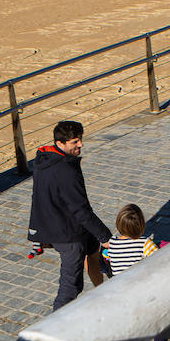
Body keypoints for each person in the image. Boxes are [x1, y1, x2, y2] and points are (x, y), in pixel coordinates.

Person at [27, 120, 111, 311]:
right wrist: (106, 237)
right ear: (60, 143)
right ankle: (54, 331)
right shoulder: (65, 170)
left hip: (70, 224)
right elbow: (80, 209)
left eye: (80, 139)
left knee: (92, 251)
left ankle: (104, 294)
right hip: (66, 232)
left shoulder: (45, 160)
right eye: (75, 142)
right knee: (70, 288)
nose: (80, 144)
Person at [103, 204, 170, 341]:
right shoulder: (144, 243)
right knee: (158, 322)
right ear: (141, 225)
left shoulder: (112, 242)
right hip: (143, 293)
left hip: (121, 294)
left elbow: (111, 260)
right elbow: (160, 260)